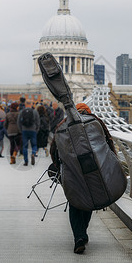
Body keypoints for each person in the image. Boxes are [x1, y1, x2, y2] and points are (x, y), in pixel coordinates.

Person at [50, 103, 94, 254]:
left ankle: (79, 238)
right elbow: (109, 147)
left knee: (74, 202)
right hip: (92, 171)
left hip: (71, 171)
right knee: (90, 201)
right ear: (88, 112)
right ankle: (83, 231)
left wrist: (58, 167)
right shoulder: (96, 124)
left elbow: (54, 148)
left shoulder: (64, 125)